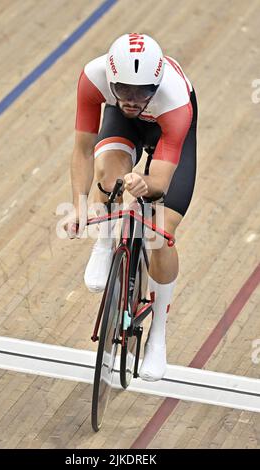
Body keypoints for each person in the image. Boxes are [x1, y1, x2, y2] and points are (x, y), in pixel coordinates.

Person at [65, 33, 198, 381]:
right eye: (123, 89)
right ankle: (106, 242)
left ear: (156, 83)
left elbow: (161, 182)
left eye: (142, 92)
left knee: (160, 233)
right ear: (110, 80)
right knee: (107, 174)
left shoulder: (175, 101)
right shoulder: (93, 78)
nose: (132, 100)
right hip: (126, 131)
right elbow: (82, 149)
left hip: (168, 134)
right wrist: (80, 206)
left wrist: (146, 183)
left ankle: (158, 335)